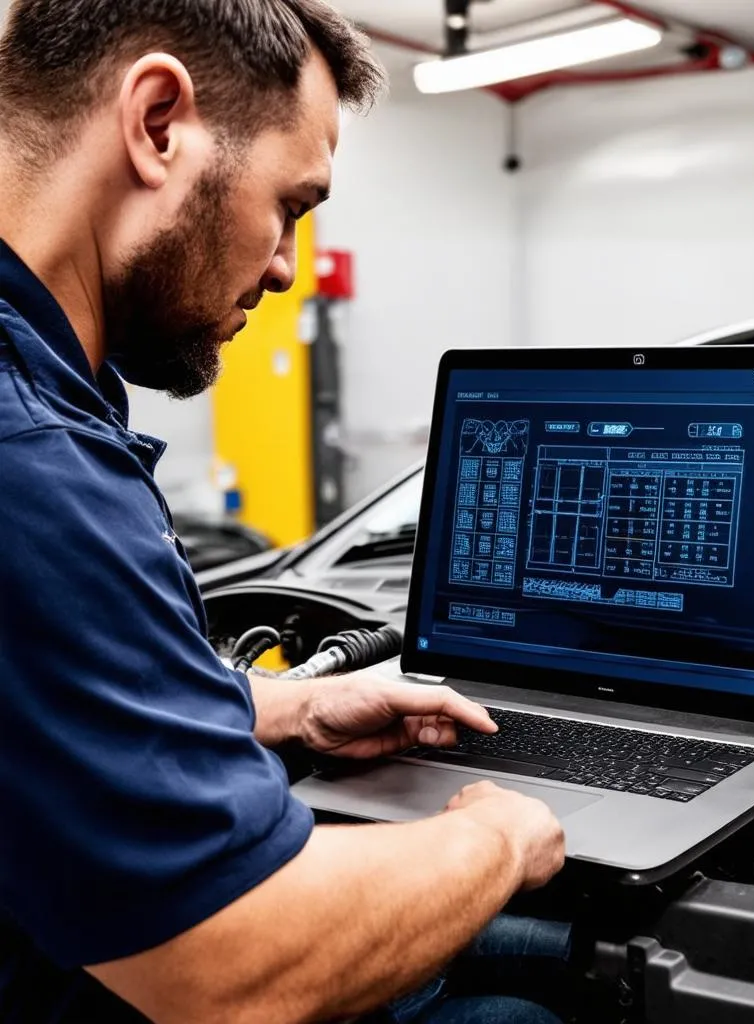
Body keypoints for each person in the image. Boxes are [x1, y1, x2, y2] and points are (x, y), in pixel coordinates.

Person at [0, 2, 568, 1022]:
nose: (283, 267)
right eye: (291, 204)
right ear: (158, 121)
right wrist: (496, 834)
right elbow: (228, 971)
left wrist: (285, 705)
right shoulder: (31, 459)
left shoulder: (40, 397)